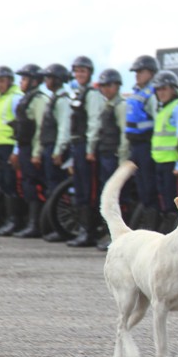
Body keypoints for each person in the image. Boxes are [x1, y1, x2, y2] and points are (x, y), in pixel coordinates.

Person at [4, 64, 49, 238]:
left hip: (31, 148)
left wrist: (36, 153)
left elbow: (40, 129)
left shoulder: (38, 99)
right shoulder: (26, 98)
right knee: (25, 185)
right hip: (23, 147)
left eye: (24, 78)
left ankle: (36, 224)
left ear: (34, 81)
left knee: (33, 185)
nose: (21, 82)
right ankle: (27, 221)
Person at [66, 56, 104, 247]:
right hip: (77, 146)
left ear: (89, 73)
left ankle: (90, 231)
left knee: (90, 191)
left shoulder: (92, 94)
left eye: (83, 71)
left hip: (87, 147)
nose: (79, 74)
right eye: (77, 71)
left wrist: (90, 149)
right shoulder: (77, 94)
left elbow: (94, 122)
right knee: (80, 190)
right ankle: (82, 229)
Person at [0, 66, 24, 236]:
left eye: (2, 81)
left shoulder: (15, 98)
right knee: (2, 184)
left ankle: (15, 221)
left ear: (9, 81)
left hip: (8, 146)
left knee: (10, 185)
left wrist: (16, 150)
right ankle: (4, 219)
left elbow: (20, 126)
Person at [94, 68, 129, 250]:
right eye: (103, 86)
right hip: (105, 154)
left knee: (116, 197)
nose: (105, 89)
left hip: (115, 157)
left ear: (117, 86)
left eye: (109, 85)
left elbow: (124, 134)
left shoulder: (121, 105)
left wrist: (123, 159)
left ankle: (116, 235)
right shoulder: (106, 105)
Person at [150, 70, 178, 230]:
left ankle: (173, 232)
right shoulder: (163, 108)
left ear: (174, 89)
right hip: (160, 161)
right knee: (164, 200)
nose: (161, 92)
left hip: (172, 163)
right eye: (158, 89)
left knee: (174, 202)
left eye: (164, 88)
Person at [126, 55, 161, 229]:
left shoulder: (152, 94)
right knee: (141, 190)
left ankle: (152, 229)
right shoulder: (137, 93)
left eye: (141, 71)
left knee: (149, 190)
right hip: (136, 146)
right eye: (136, 72)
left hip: (148, 146)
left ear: (152, 73)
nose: (137, 75)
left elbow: (157, 122)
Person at [38, 63, 73, 241]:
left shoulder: (62, 100)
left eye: (50, 77)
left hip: (55, 148)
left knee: (58, 189)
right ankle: (54, 227)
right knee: (51, 188)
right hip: (49, 147)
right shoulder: (53, 98)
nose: (47, 81)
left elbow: (64, 128)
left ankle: (62, 228)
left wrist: (58, 151)